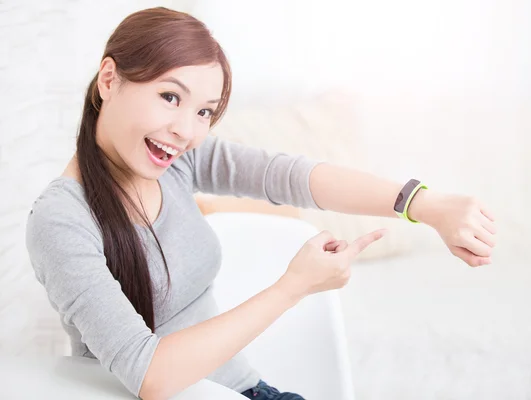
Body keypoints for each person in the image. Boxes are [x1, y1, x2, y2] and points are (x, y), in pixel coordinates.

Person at [25, 6, 496, 400]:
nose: (187, 130)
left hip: (244, 390)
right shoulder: (61, 219)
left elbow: (290, 176)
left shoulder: (175, 161)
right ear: (109, 80)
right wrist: (293, 287)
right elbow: (150, 374)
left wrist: (424, 204)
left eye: (204, 111)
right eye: (170, 97)